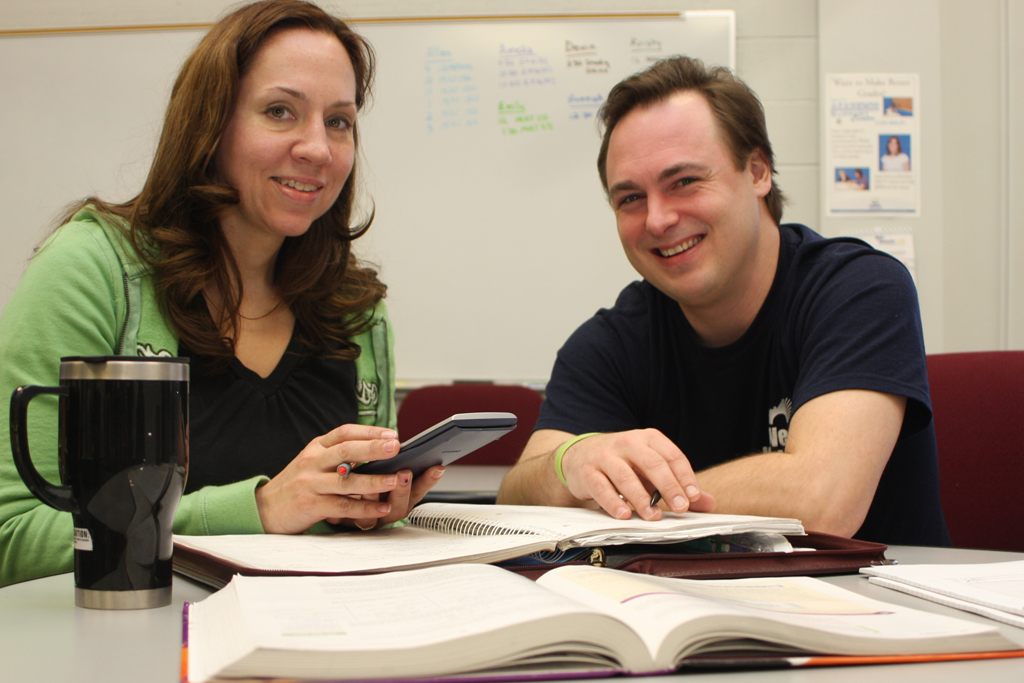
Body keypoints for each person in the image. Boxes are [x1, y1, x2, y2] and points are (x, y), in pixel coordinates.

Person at [0, 0, 443, 587]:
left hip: (322, 644)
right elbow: (13, 538)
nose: (318, 148)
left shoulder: (355, 306)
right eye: (280, 111)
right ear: (210, 124)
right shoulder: (93, 269)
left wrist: (371, 507)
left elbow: (339, 530)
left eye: (339, 121)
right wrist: (256, 511)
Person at [497, 56, 949, 547]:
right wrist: (570, 464)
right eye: (630, 198)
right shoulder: (610, 341)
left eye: (684, 182)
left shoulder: (859, 290)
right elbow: (517, 499)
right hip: (681, 607)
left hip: (874, 609)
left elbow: (823, 501)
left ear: (757, 172)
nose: (657, 220)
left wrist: (628, 498)